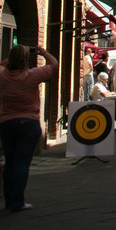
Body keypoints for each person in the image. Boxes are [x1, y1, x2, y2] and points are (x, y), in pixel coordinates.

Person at [0, 44, 58, 212]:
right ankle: (17, 202)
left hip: (6, 123)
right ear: (25, 60)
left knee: (10, 162)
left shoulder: (3, 75)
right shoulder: (31, 75)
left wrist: (13, 57)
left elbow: (3, 65)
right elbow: (54, 64)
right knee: (22, 164)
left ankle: (9, 200)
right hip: (28, 124)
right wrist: (43, 51)